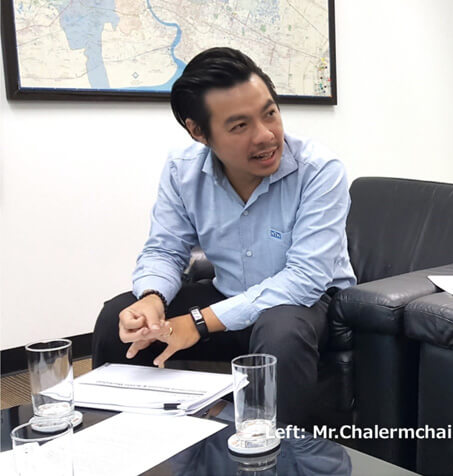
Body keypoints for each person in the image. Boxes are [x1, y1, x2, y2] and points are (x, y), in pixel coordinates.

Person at [92, 47, 356, 427]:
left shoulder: (319, 170)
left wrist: (197, 323)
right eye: (239, 126)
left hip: (306, 303)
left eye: (270, 113)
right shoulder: (182, 170)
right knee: (117, 320)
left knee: (280, 332)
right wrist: (152, 299)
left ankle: (277, 453)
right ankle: (130, 439)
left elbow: (305, 278)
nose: (265, 135)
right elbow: (165, 249)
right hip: (227, 295)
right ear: (198, 132)